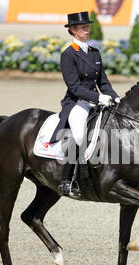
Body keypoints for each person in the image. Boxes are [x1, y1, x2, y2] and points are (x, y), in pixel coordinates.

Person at [50, 11, 120, 197]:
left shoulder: (94, 53)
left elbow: (103, 82)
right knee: (80, 136)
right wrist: (98, 98)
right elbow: (73, 87)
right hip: (77, 103)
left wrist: (115, 97)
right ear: (73, 30)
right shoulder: (68, 54)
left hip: (96, 102)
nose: (87, 30)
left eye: (88, 27)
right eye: (83, 27)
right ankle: (66, 182)